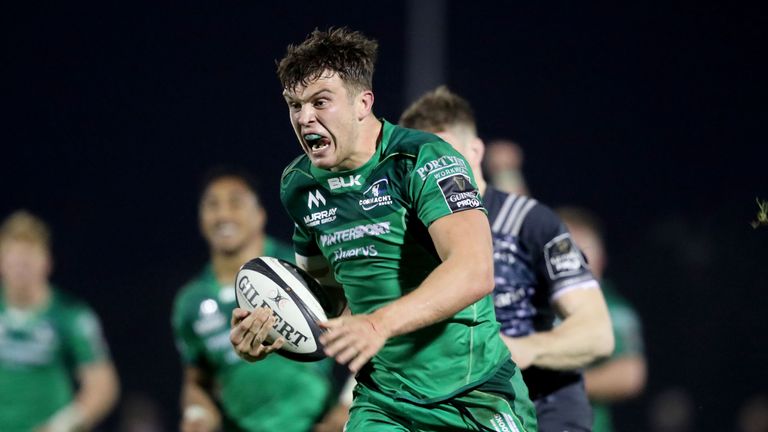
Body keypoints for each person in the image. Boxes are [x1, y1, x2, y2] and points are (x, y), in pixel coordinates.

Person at [230, 28, 537, 431]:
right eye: (295, 105)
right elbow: (328, 306)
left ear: (363, 103)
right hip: (384, 402)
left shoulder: (422, 159)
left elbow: (475, 269)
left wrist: (378, 323)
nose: (305, 118)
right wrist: (275, 331)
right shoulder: (299, 185)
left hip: (473, 391)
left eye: (320, 102)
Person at [399, 86, 614, 432]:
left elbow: (598, 333)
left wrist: (520, 348)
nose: (434, 169)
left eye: (445, 154)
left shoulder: (529, 222)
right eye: (420, 159)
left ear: (476, 150)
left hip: (545, 411)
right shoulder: (409, 236)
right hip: (463, 414)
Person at [172, 167, 333, 431]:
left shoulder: (301, 268)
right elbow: (197, 381)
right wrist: (197, 414)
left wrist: (340, 417)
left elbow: (360, 336)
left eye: (235, 203)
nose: (223, 214)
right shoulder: (191, 301)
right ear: (201, 218)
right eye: (212, 205)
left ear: (260, 215)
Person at [0, 210, 119, 432]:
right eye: (14, 257)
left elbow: (102, 384)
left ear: (47, 262)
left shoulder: (71, 315)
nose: (21, 267)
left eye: (29, 258)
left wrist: (59, 426)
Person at [558, 207, 647, 432]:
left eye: (583, 254)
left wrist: (557, 384)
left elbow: (630, 374)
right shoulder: (526, 301)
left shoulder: (611, 308)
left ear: (601, 260)